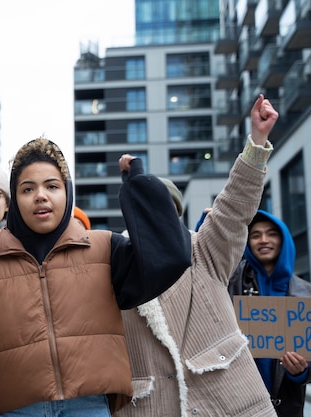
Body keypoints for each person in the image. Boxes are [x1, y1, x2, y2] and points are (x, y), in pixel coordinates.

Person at [0, 137, 192, 416]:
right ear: (15, 200)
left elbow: (171, 256)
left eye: (52, 186)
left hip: (88, 406)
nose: (41, 195)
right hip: (18, 410)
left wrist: (139, 186)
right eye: (28, 189)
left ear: (68, 192)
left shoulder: (104, 250)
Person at [116, 94, 280, 417]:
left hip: (232, 404)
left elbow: (234, 208)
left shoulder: (204, 250)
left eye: (166, 211)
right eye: (148, 211)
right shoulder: (114, 268)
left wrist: (257, 144)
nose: (157, 223)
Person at [229, 210, 311, 416]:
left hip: (286, 406)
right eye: (255, 235)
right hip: (237, 403)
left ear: (283, 239)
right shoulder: (230, 282)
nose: (264, 240)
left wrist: (302, 373)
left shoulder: (306, 293)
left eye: (272, 233)